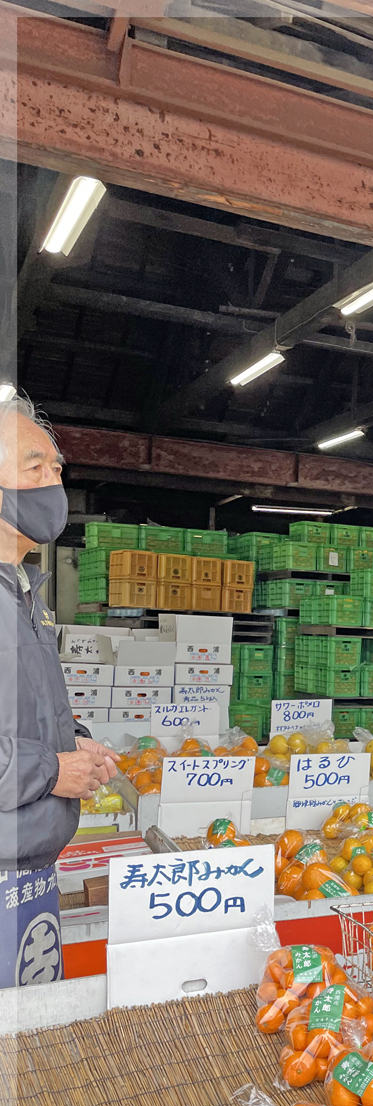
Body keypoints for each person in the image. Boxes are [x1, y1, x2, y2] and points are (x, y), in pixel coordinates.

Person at [0, 395, 118, 984]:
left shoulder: (22, 591)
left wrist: (77, 743)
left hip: (29, 874)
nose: (53, 483)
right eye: (33, 468)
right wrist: (50, 770)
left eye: (56, 470)